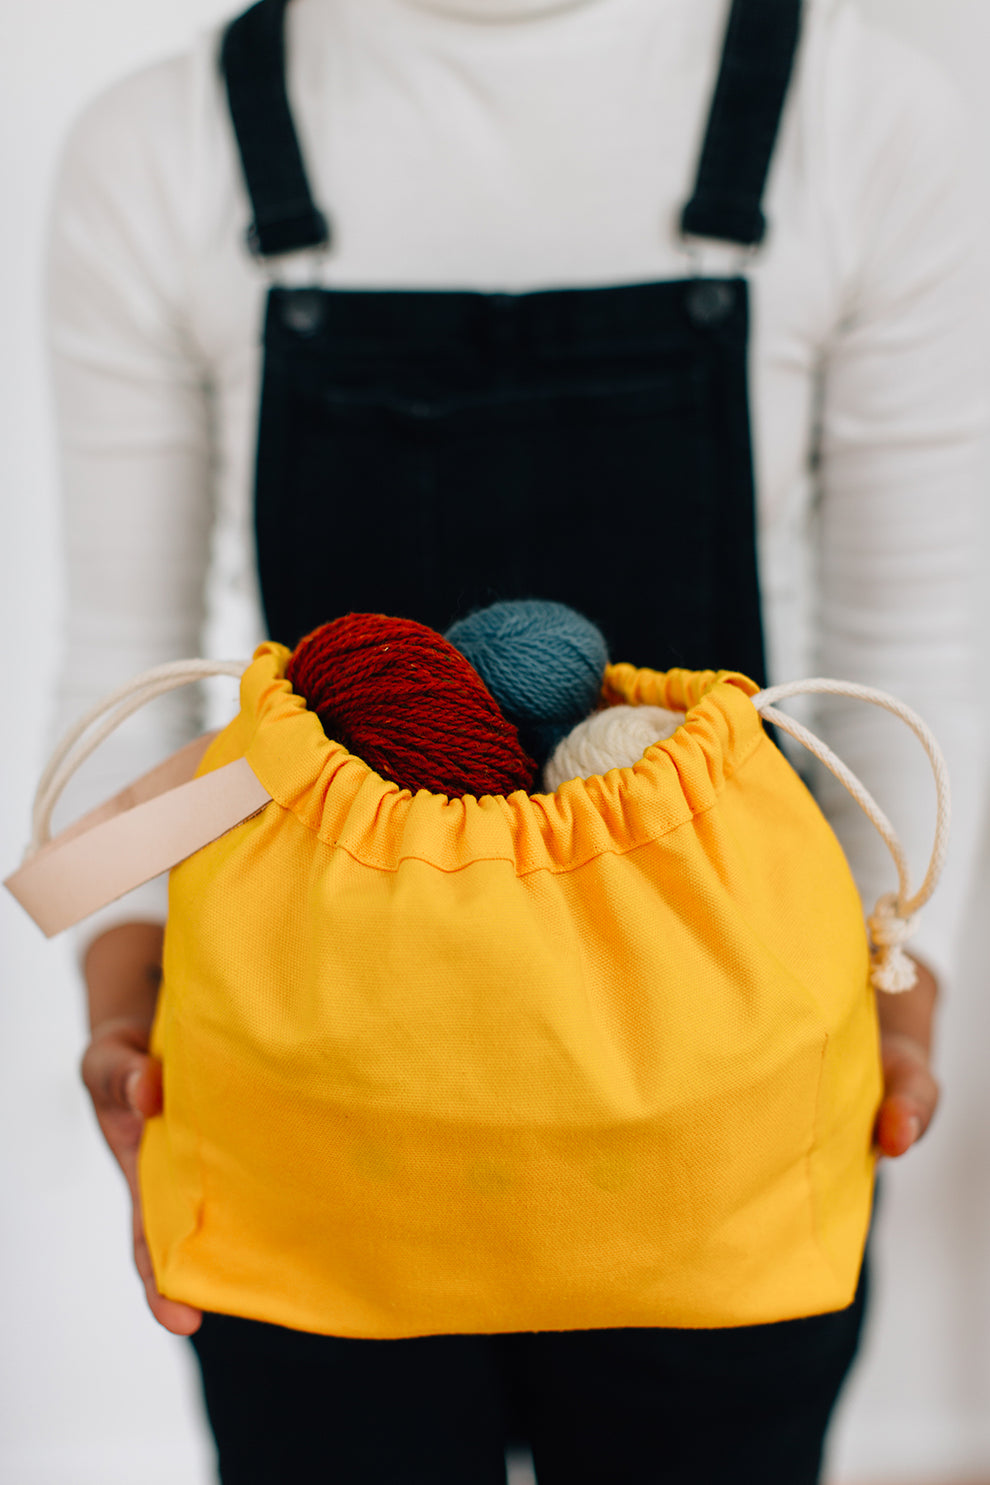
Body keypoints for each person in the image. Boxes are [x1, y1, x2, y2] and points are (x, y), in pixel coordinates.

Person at [46, 0, 986, 1479]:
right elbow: (128, 655)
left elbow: (909, 654)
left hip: (711, 1085)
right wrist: (127, 1002)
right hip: (327, 1100)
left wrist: (894, 989)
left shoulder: (860, 121)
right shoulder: (166, 147)